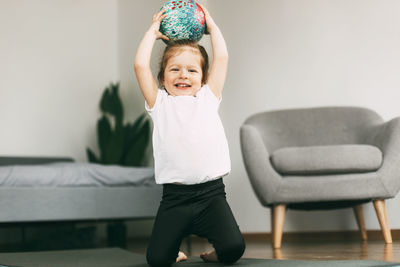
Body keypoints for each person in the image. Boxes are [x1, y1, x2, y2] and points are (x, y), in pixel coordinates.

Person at [134, 4, 245, 266]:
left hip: (212, 196)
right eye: (175, 69)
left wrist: (212, 27)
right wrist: (152, 32)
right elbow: (140, 65)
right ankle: (174, 250)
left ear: (204, 78)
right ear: (162, 76)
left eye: (192, 70)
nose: (183, 74)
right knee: (157, 260)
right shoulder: (159, 103)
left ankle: (215, 252)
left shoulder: (208, 97)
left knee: (233, 249)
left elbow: (222, 58)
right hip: (175, 199)